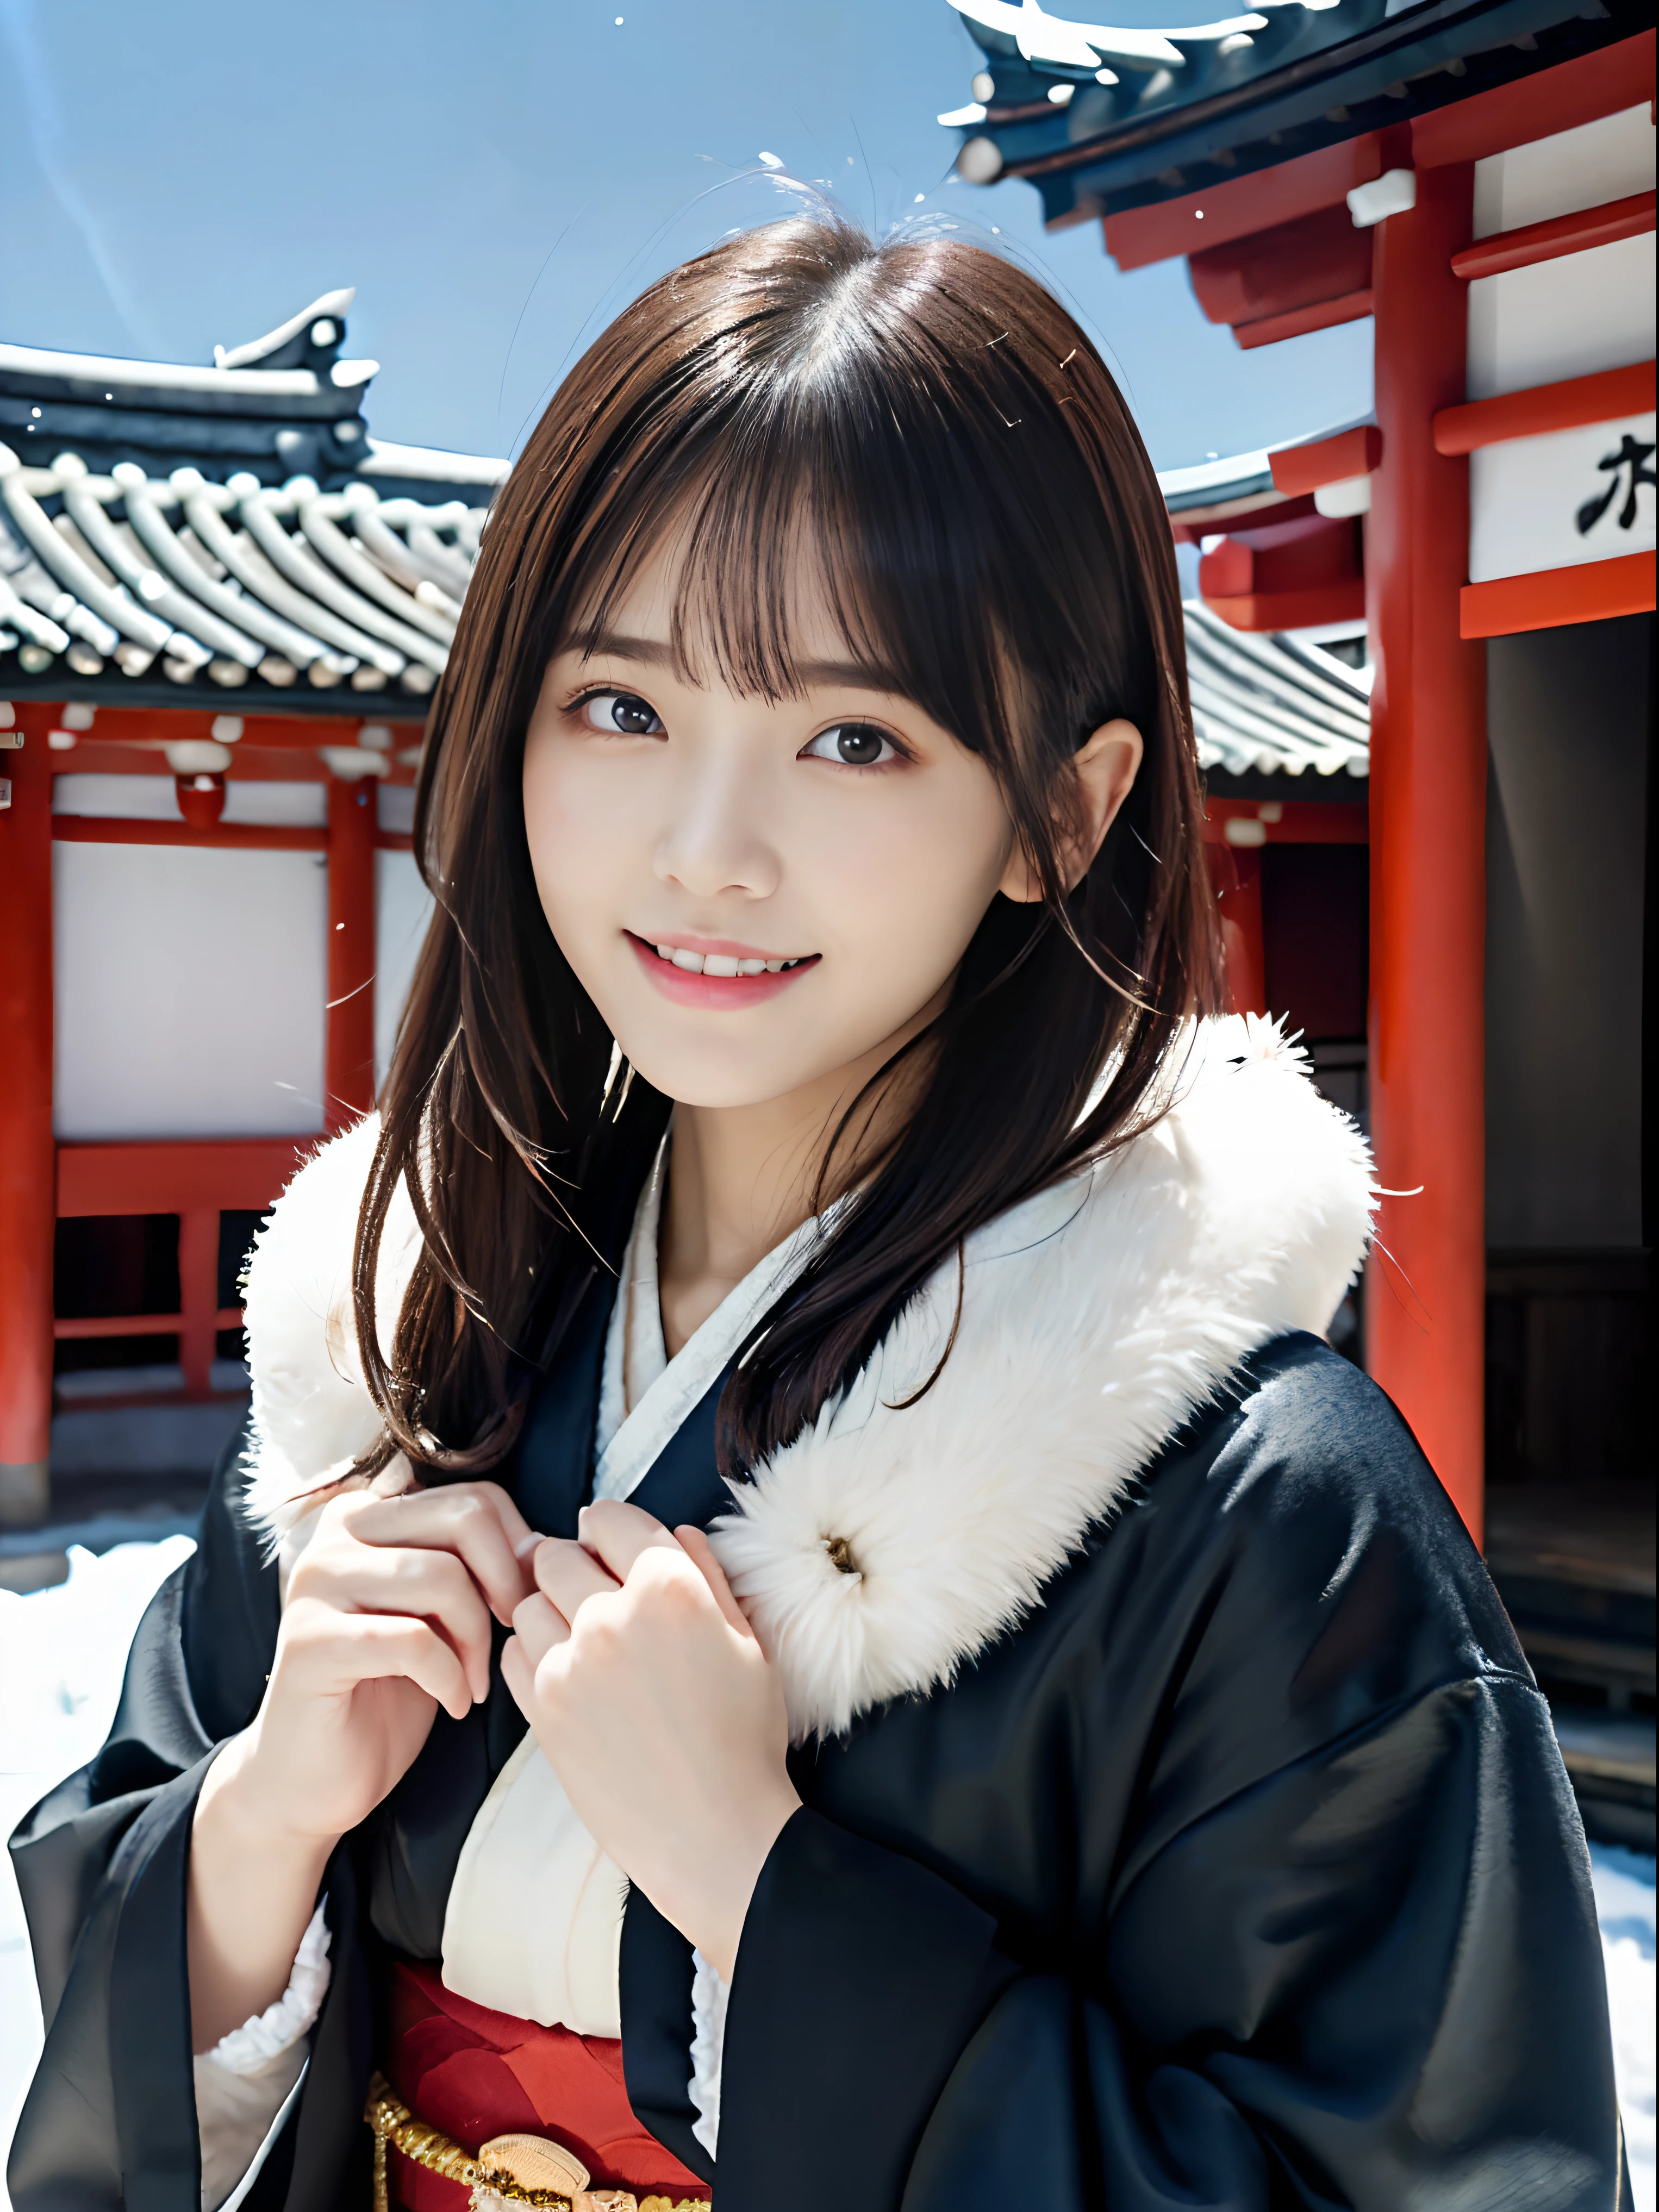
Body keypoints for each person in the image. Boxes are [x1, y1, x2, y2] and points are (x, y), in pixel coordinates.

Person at [9, 213, 1626, 2212]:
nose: (706, 852)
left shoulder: (1260, 1509)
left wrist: (761, 1891)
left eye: (852, 737)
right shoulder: (406, 1343)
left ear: (1064, 807)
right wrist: (257, 1826)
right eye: (619, 707)